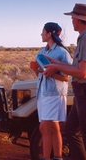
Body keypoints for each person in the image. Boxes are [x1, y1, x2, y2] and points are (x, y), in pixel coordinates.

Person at [44, 3, 86, 160]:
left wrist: (55, 68)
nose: (71, 20)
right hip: (83, 95)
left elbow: (83, 72)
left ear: (79, 19)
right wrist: (55, 63)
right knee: (72, 131)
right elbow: (77, 67)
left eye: (73, 18)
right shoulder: (85, 37)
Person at [31, 22, 72, 160]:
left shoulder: (62, 53)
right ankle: (58, 157)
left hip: (54, 95)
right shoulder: (42, 52)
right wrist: (36, 70)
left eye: (43, 31)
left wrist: (52, 74)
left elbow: (67, 78)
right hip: (43, 93)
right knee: (53, 128)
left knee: (44, 128)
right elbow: (41, 73)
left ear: (49, 34)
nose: (41, 34)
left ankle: (46, 157)